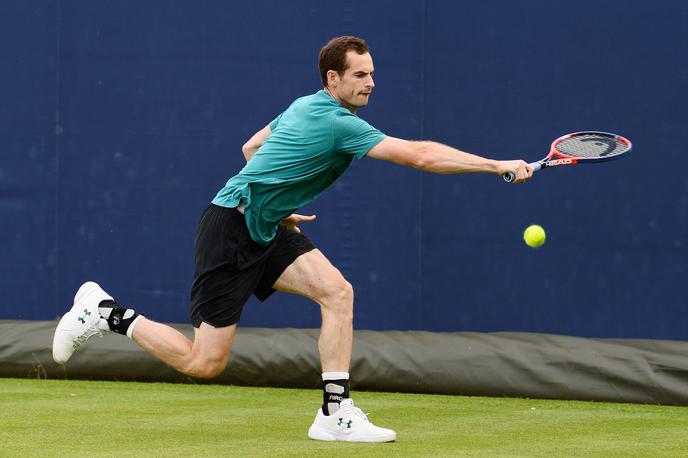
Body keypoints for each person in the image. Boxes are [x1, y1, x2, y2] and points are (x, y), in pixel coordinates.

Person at [52, 36, 532, 443]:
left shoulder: (305, 104)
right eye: (360, 75)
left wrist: (274, 203)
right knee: (204, 363)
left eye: (372, 73)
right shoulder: (338, 121)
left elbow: (251, 147)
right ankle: (105, 312)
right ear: (333, 80)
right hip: (231, 231)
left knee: (337, 291)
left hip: (265, 224)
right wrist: (496, 165)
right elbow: (420, 157)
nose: (371, 82)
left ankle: (334, 412)